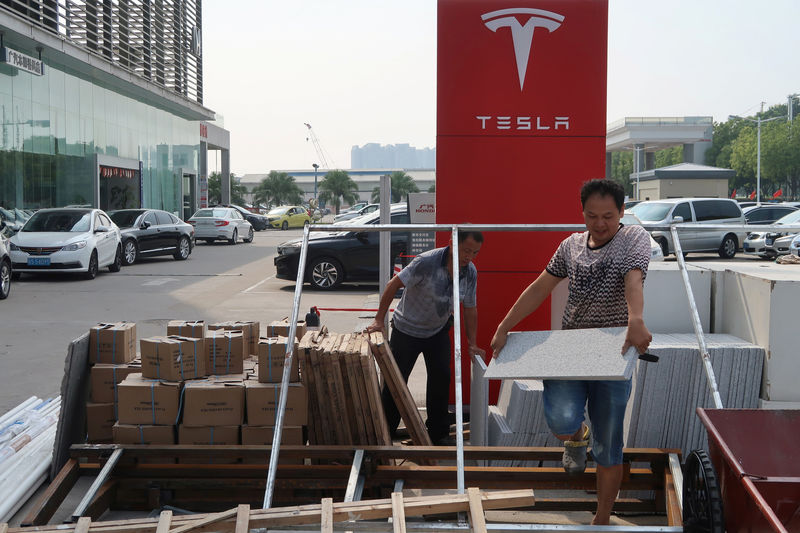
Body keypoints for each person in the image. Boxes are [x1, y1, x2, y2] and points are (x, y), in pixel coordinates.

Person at [490, 179, 652, 525]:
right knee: (561, 421)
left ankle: (603, 517)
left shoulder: (633, 238)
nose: (600, 223)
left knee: (610, 445)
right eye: (592, 215)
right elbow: (540, 287)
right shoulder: (570, 246)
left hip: (614, 348)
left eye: (608, 215)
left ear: (622, 212)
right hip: (572, 348)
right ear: (582, 213)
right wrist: (504, 325)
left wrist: (636, 319)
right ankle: (578, 439)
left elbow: (633, 280)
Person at [366, 230, 485, 445]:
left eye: (475, 253)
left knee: (441, 380)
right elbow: (393, 285)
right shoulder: (426, 262)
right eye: (466, 250)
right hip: (406, 330)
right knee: (396, 381)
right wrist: (378, 320)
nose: (469, 257)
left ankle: (437, 434)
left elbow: (470, 308)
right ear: (452, 243)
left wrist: (472, 343)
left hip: (438, 330)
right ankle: (385, 432)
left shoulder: (469, 272)